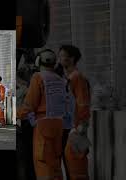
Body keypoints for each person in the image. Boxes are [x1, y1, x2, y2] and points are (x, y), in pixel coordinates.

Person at [18, 49, 67, 180]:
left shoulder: (38, 77)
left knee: (43, 164)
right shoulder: (60, 79)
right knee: (55, 164)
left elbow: (29, 104)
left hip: (43, 126)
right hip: (58, 125)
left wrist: (17, 115)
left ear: (38, 61)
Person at [59, 45, 91, 180]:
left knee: (76, 166)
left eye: (62, 56)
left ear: (71, 59)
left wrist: (81, 125)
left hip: (76, 128)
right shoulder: (69, 78)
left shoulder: (77, 78)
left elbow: (82, 102)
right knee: (71, 165)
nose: (59, 59)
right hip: (70, 127)